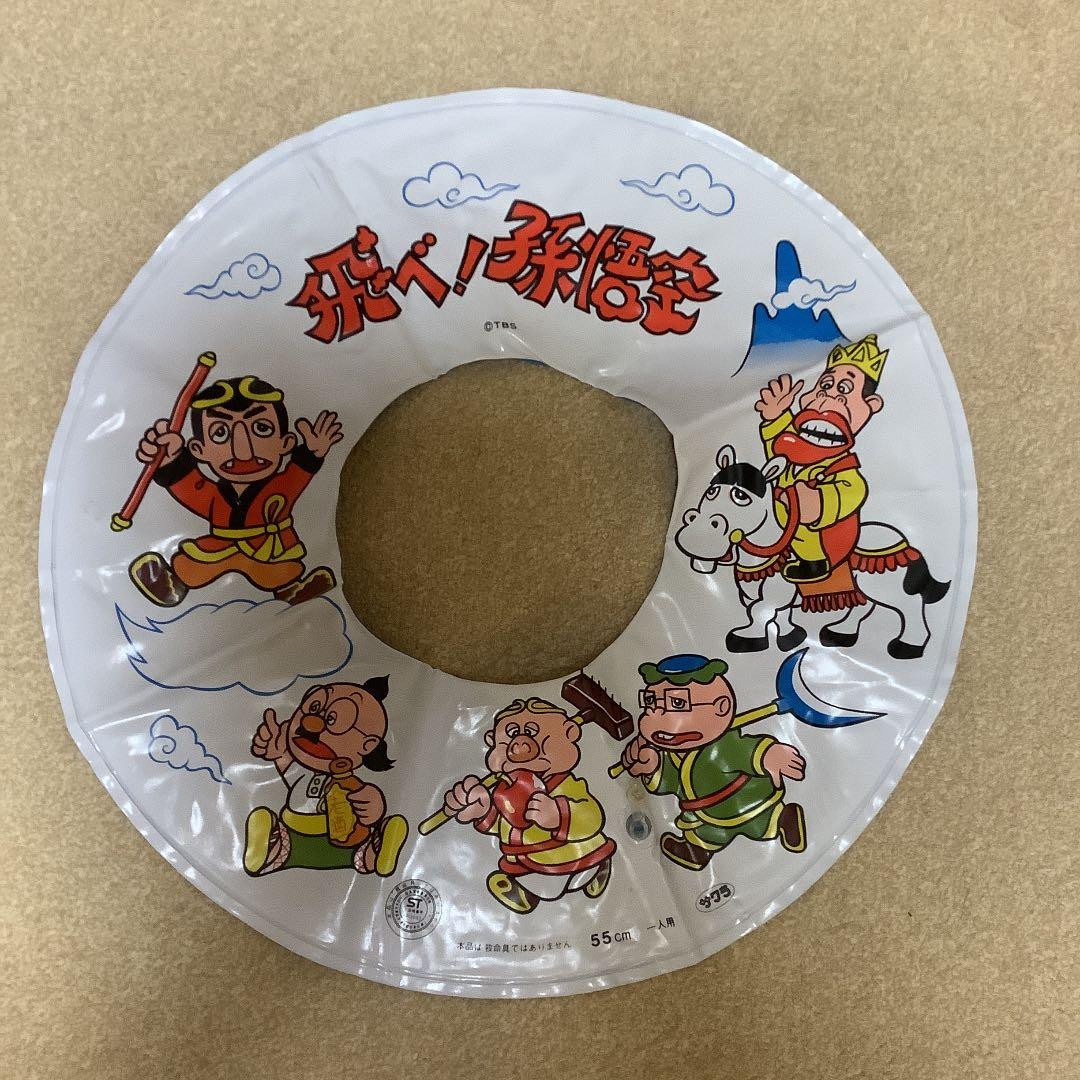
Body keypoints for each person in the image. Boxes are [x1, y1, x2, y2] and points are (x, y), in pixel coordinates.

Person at [127, 375, 342, 606]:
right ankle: (172, 584)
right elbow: (193, 489)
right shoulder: (216, 495)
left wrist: (311, 455)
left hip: (267, 547)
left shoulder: (279, 488)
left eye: (261, 428)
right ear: (198, 450)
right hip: (221, 546)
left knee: (278, 571)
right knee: (195, 565)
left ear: (286, 443)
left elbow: (296, 476)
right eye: (220, 433)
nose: (243, 452)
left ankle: (291, 591)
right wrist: (172, 463)